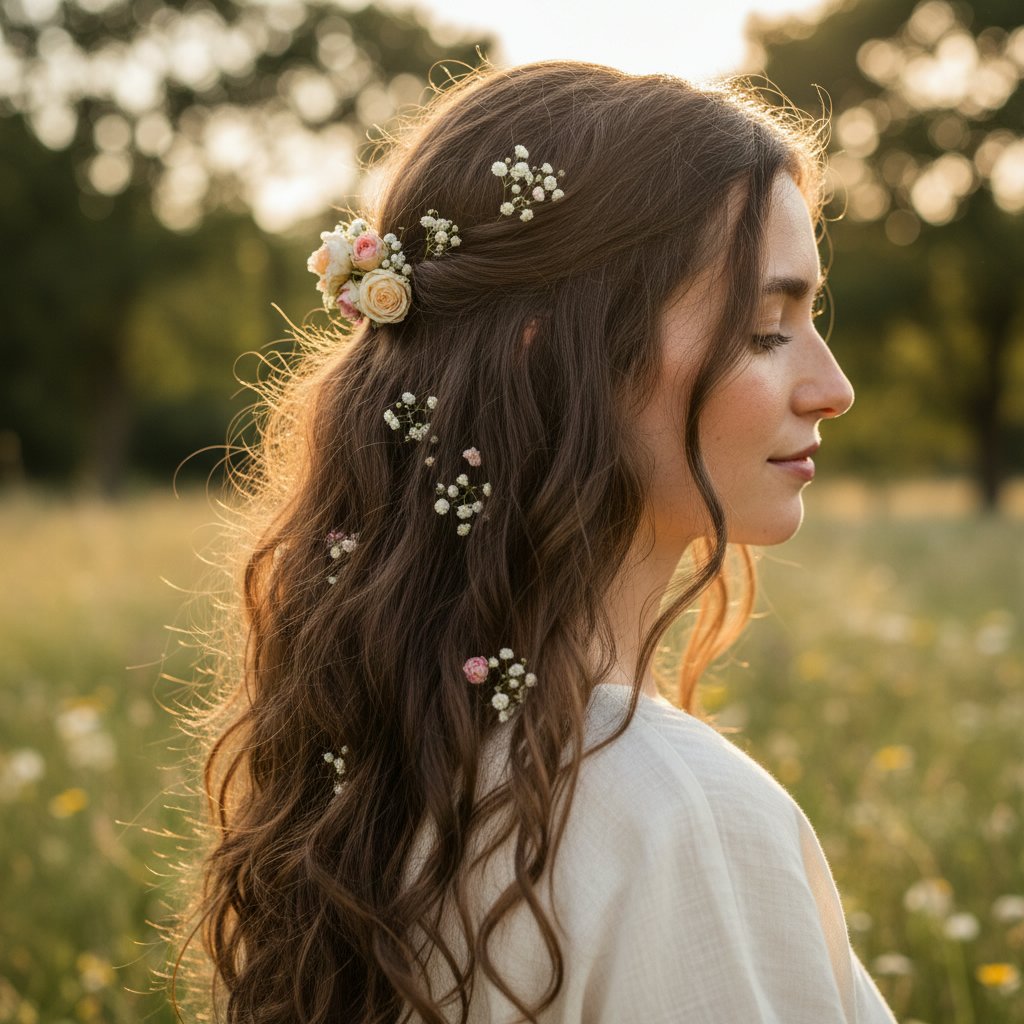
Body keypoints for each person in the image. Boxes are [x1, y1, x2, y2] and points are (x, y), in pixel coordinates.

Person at [171, 59, 899, 1024]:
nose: (833, 386)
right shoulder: (681, 820)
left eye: (813, 317)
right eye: (767, 327)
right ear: (555, 356)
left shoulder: (379, 781)